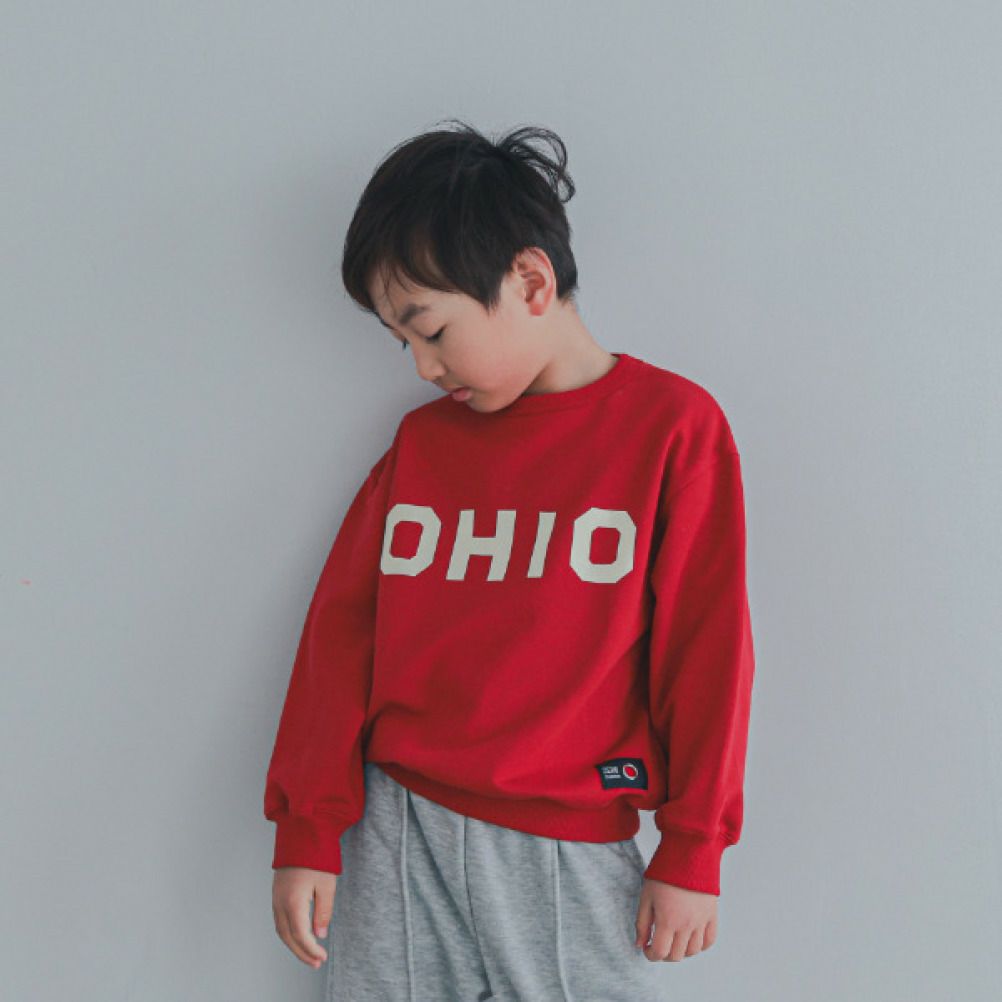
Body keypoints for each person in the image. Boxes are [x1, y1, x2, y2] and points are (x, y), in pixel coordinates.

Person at [263, 119, 756, 1001]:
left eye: (431, 330)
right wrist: (308, 829)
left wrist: (694, 845)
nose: (421, 367)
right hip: (394, 828)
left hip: (567, 841)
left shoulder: (671, 430)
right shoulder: (421, 446)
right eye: (402, 342)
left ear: (531, 281)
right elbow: (340, 639)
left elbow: (707, 651)